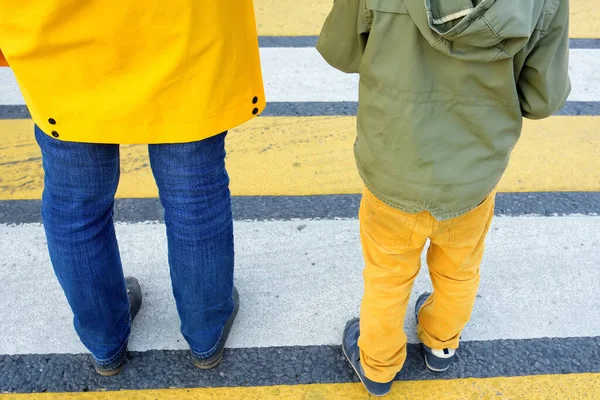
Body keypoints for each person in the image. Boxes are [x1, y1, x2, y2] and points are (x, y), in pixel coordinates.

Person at [317, 0, 570, 396]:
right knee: (459, 270)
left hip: (393, 167)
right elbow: (541, 99)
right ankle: (441, 341)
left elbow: (340, 50)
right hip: (470, 177)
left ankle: (378, 367)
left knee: (386, 277)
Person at [0, 1, 264, 376]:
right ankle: (206, 334)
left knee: (76, 205)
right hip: (185, 25)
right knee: (195, 197)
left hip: (60, 32)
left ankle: (105, 342)